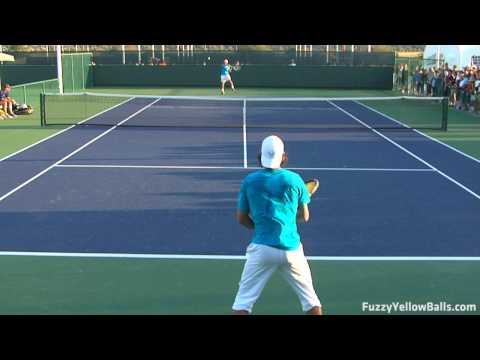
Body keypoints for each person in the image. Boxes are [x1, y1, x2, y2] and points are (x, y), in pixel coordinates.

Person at [232, 135, 322, 315]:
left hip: (262, 249)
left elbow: (241, 218)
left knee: (242, 304)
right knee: (312, 303)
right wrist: (288, 220)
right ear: (283, 156)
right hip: (292, 251)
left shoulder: (249, 181)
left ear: (260, 156)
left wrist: (262, 227)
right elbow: (304, 217)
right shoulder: (295, 179)